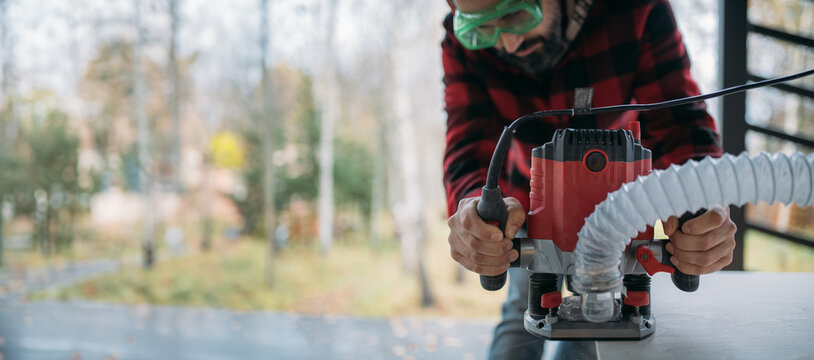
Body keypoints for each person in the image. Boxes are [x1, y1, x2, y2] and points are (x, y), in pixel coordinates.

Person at [441, 0, 737, 358]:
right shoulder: (463, 43)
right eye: (483, 27)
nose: (507, 44)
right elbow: (468, 144)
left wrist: (702, 204)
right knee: (520, 314)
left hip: (616, 211)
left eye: (515, 15)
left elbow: (682, 125)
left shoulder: (635, 9)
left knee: (591, 334)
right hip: (522, 211)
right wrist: (474, 211)